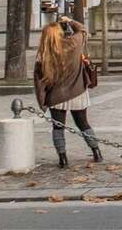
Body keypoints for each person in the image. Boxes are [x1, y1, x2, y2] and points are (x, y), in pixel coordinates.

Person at [34, 18, 101, 168]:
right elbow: (83, 30)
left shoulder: (44, 56)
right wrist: (70, 21)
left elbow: (39, 83)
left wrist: (43, 102)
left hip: (56, 96)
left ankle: (63, 159)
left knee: (58, 127)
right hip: (77, 92)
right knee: (83, 123)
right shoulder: (73, 45)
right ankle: (96, 151)